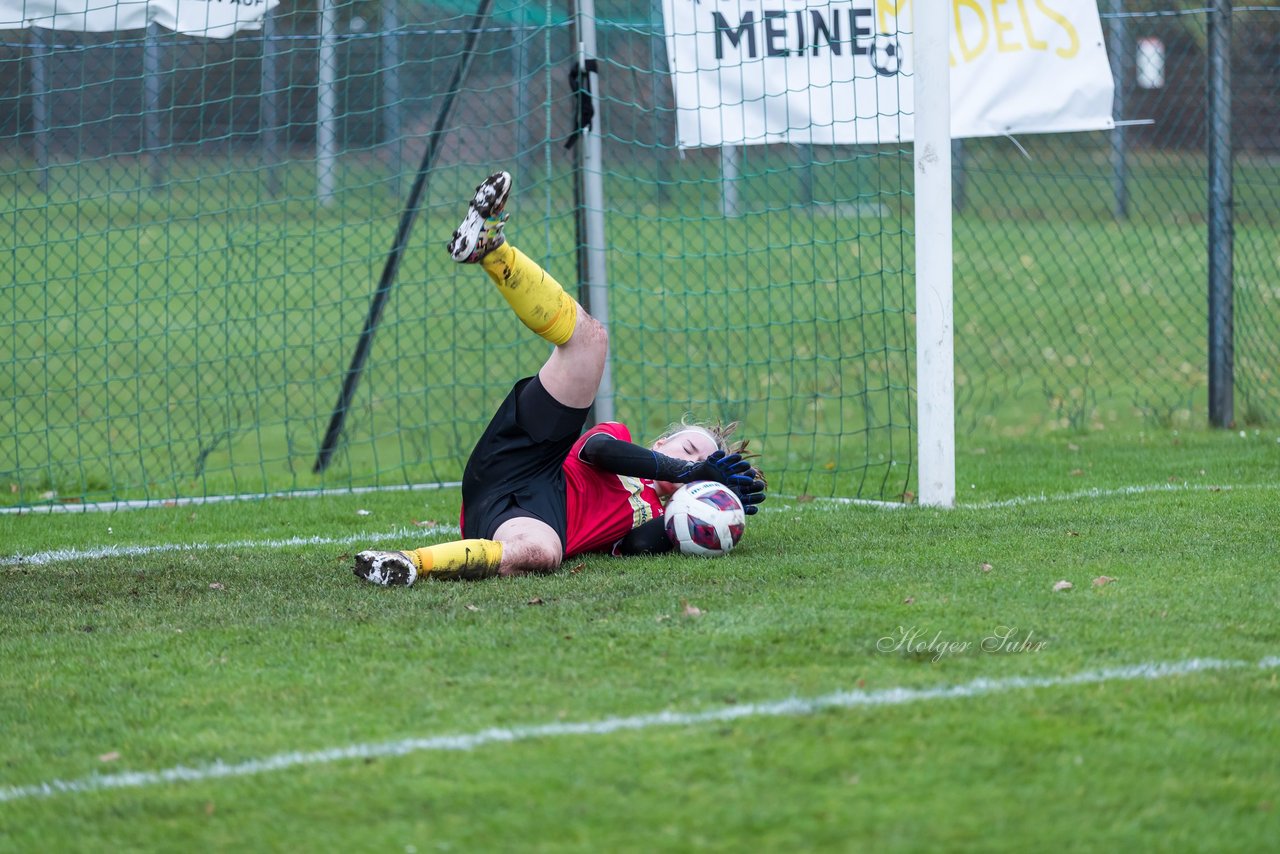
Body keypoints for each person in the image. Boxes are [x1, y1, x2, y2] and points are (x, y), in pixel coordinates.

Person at [353, 171, 765, 586]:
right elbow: (599, 451)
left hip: (521, 521)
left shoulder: (658, 518)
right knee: (590, 340)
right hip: (529, 458)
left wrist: (713, 507)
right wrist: (689, 472)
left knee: (542, 555)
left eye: (701, 461)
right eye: (691, 449)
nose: (694, 461)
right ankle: (492, 249)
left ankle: (406, 563)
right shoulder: (619, 438)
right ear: (662, 443)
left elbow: (639, 547)